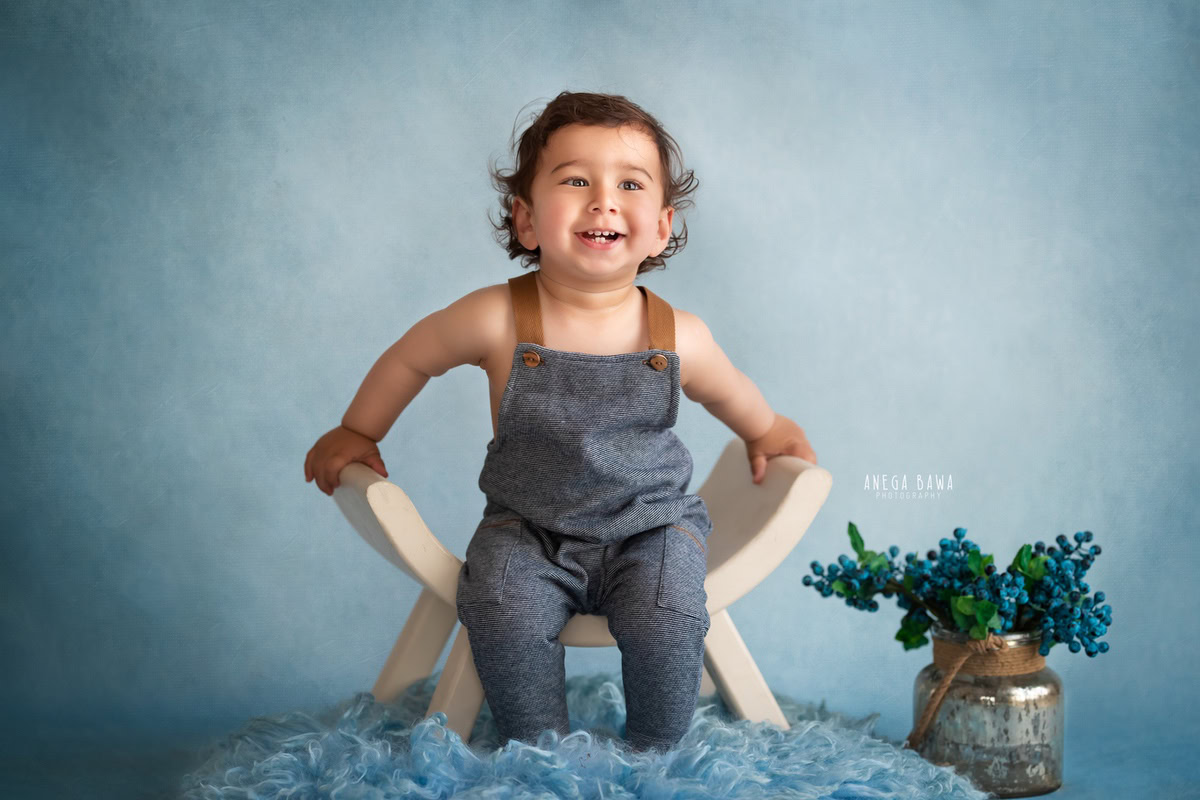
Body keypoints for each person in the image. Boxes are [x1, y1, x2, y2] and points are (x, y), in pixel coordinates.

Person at [305, 91, 817, 753]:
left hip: (651, 527)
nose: (602, 200)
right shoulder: (495, 317)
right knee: (498, 606)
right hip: (528, 529)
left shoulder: (677, 334)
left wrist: (766, 430)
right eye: (575, 180)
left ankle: (658, 751)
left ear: (661, 227)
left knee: (669, 614)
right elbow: (412, 359)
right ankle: (539, 751)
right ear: (526, 219)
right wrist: (359, 430)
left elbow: (730, 393)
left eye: (628, 184)